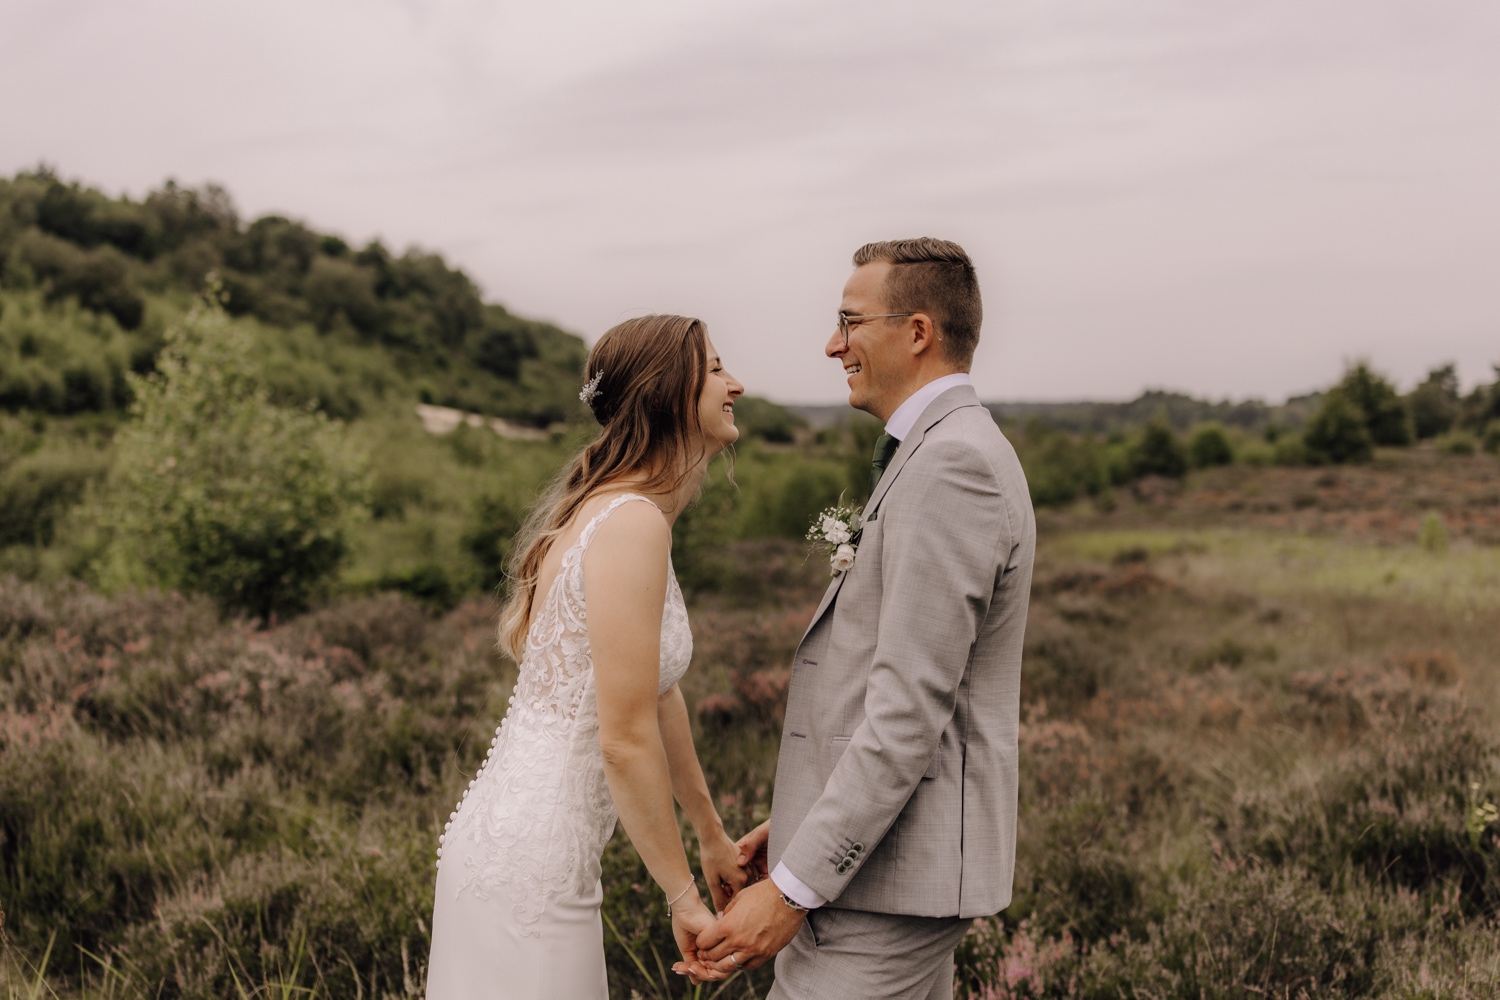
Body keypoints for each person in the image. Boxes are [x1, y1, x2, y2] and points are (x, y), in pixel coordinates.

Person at [694, 239, 1036, 999]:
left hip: (888, 893)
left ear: (917, 332)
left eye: (849, 322)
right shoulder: (936, 451)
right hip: (880, 874)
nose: (832, 344)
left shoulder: (953, 465)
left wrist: (791, 889)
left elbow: (908, 712)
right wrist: (798, 831)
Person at [426, 314, 749, 999]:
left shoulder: (623, 511)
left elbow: (658, 692)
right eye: (718, 369)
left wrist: (710, 832)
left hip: (514, 844)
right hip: (534, 866)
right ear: (670, 391)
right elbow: (624, 740)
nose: (736, 385)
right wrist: (681, 897)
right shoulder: (631, 522)